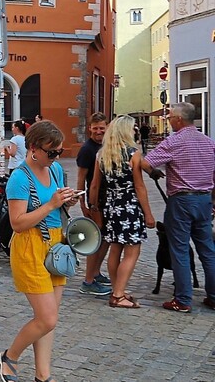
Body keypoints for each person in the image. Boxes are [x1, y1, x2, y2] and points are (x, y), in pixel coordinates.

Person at [0, 120, 79, 382]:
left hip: (55, 245)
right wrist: (51, 204)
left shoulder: (54, 169)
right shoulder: (20, 177)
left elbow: (54, 206)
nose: (56, 156)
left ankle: (43, 375)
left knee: (50, 319)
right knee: (46, 318)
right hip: (30, 246)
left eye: (59, 151)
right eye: (51, 151)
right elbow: (18, 223)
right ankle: (9, 356)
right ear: (33, 148)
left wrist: (67, 201)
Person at [141, 102, 215, 313]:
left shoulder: (173, 141)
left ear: (179, 120)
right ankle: (213, 296)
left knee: (179, 249)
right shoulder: (208, 142)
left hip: (181, 201)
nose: (169, 120)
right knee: (208, 250)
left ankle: (183, 299)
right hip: (204, 199)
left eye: (171, 117)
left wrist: (152, 173)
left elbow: (147, 162)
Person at [88, 115, 155, 308]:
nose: (135, 131)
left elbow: (94, 185)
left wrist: (94, 208)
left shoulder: (102, 154)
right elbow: (140, 187)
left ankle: (118, 288)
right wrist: (148, 214)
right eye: (133, 128)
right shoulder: (133, 154)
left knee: (115, 248)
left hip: (111, 205)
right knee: (132, 251)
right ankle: (118, 295)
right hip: (130, 206)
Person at [75, 112, 113, 297]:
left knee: (105, 239)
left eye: (102, 128)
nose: (99, 131)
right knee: (95, 240)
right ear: (89, 128)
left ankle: (96, 272)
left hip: (108, 200)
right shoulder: (87, 149)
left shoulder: (107, 145)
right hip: (95, 201)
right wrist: (83, 203)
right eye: (95, 128)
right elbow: (81, 177)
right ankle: (88, 281)